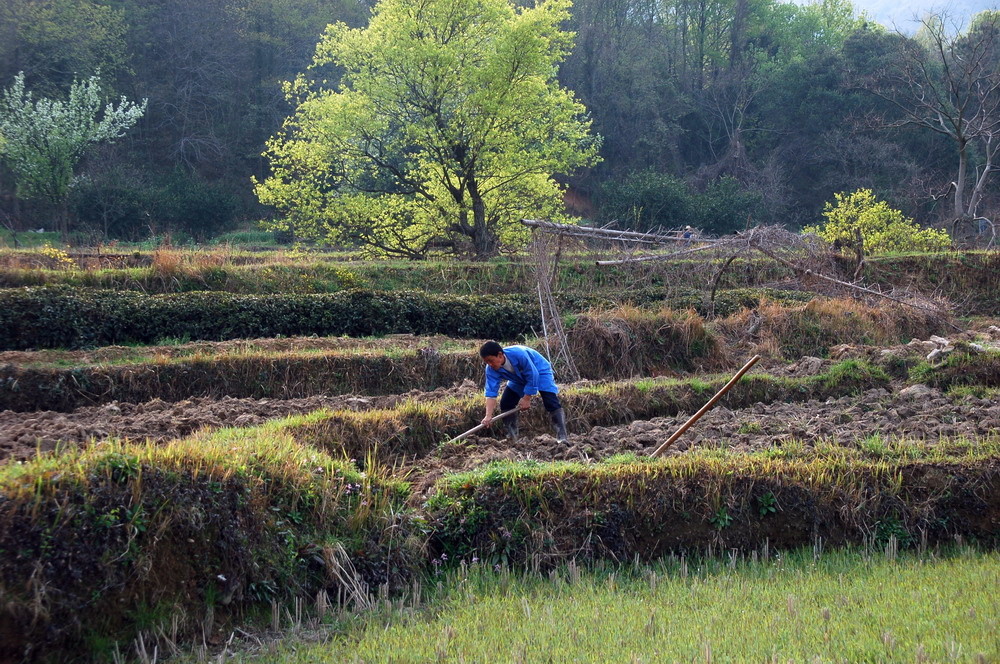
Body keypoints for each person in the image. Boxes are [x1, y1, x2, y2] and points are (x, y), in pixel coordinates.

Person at [479, 341, 568, 443]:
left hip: (540, 371)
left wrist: (526, 398)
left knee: (550, 401)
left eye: (491, 361)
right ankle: (512, 438)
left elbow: (533, 374)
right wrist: (488, 415)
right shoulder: (491, 369)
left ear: (500, 355)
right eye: (487, 362)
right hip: (517, 379)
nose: (490, 364)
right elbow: (491, 392)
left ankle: (562, 437)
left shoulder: (519, 354)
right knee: (506, 403)